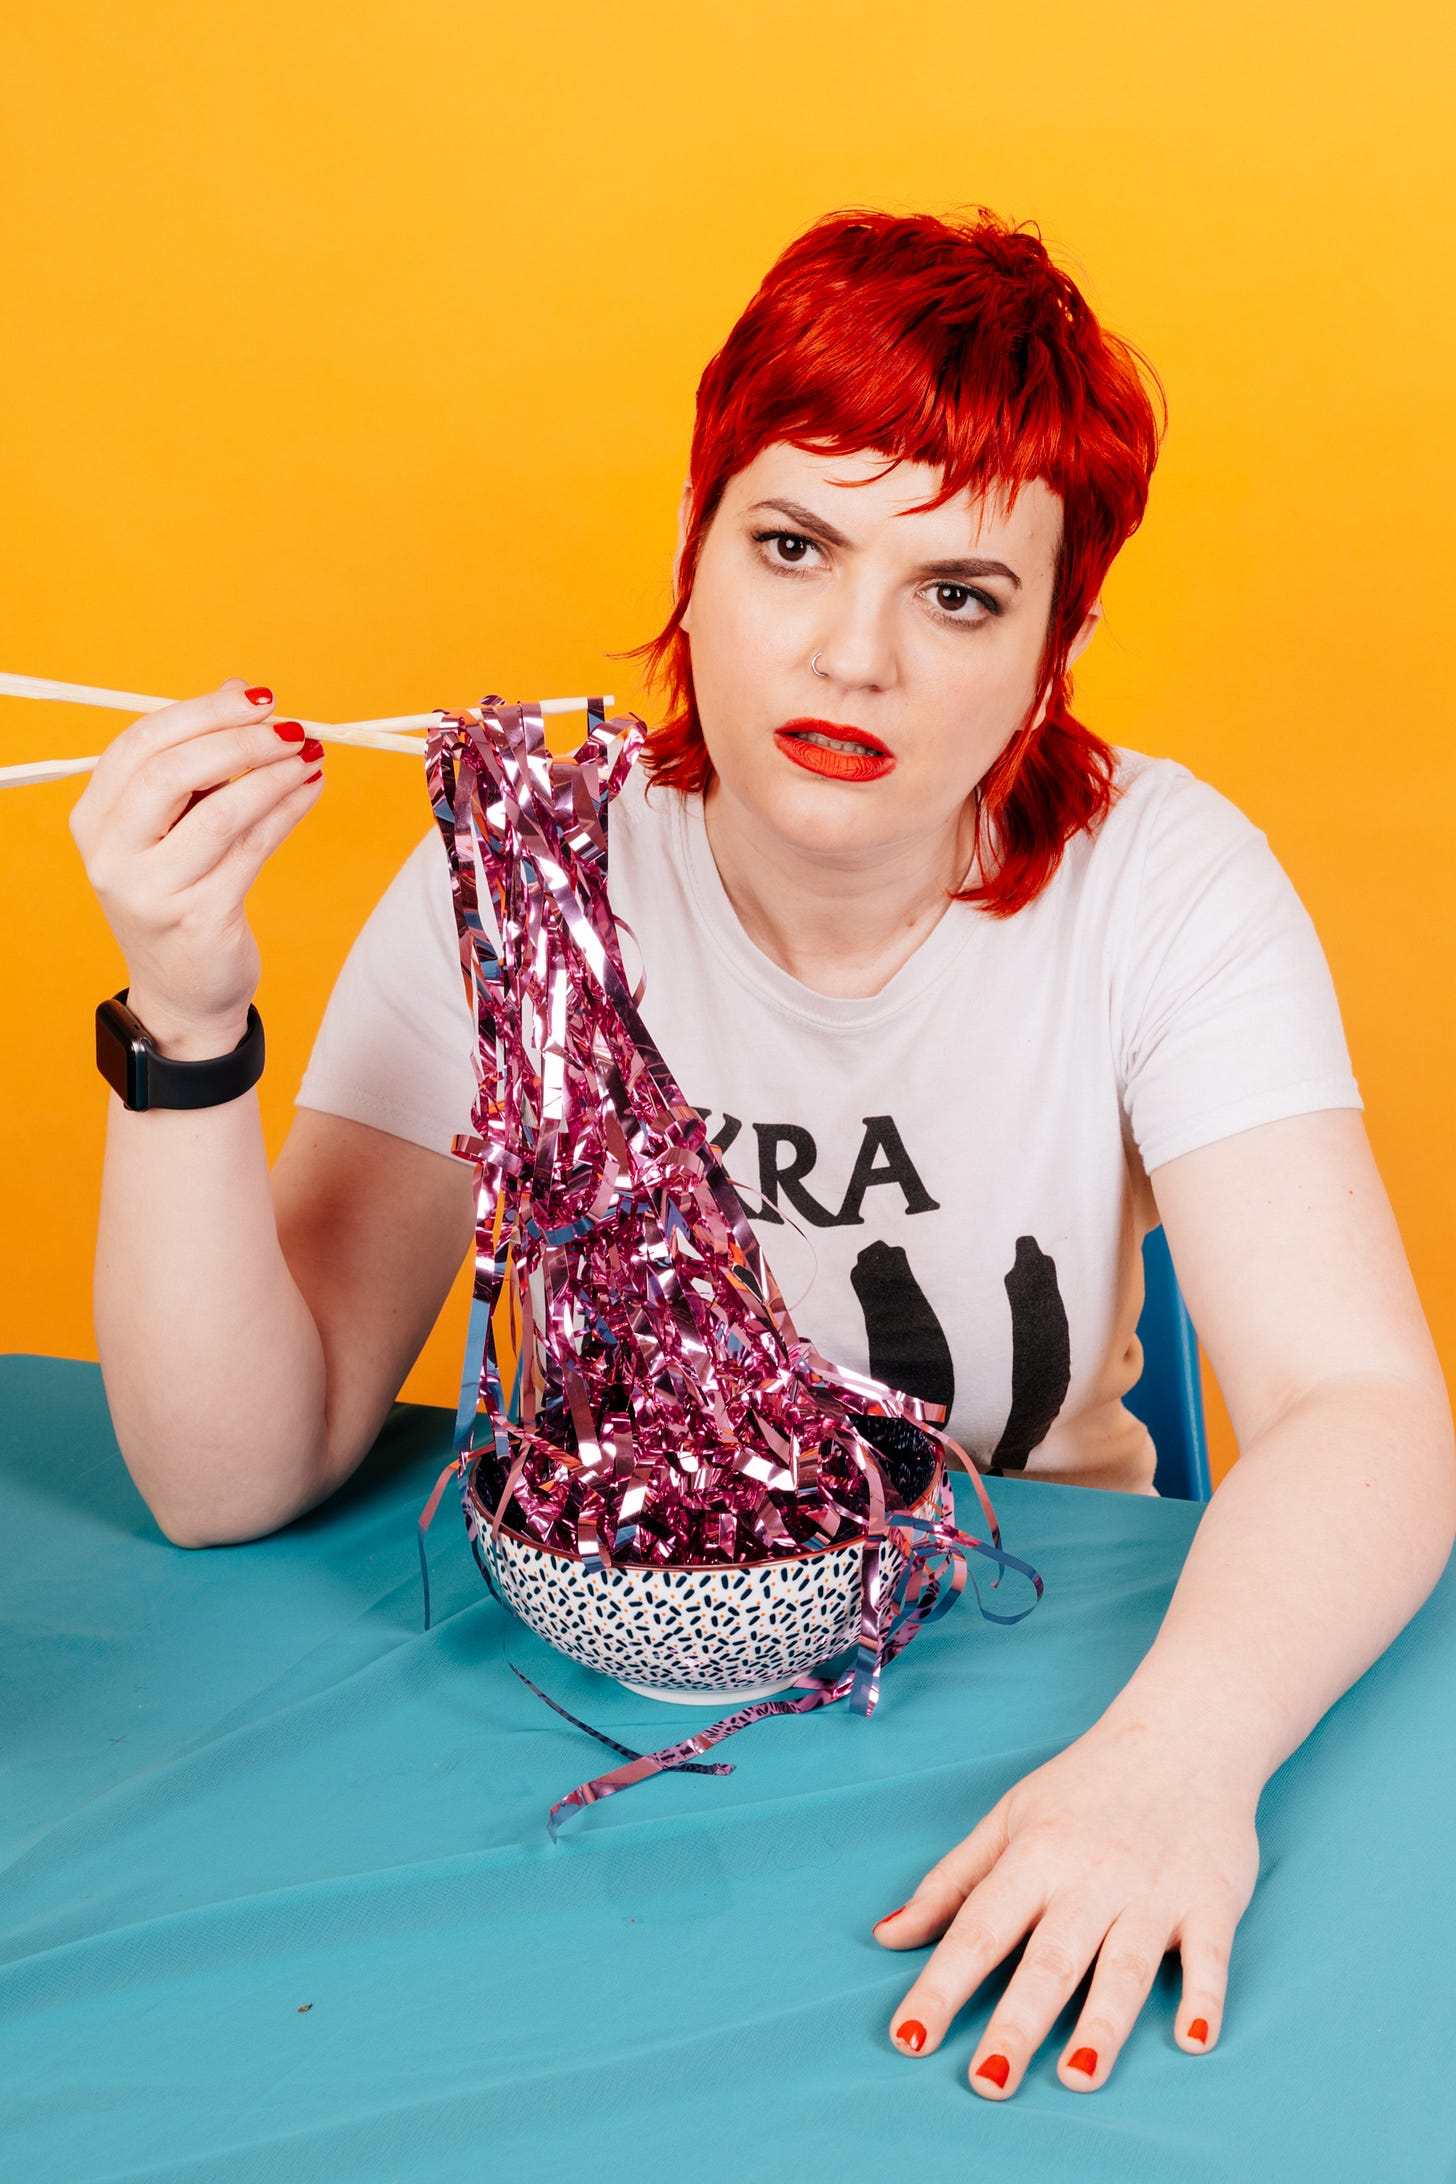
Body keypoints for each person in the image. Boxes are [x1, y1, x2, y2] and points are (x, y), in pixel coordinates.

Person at [68, 206, 1455, 2101]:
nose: (853, 654)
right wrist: (186, 1014)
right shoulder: (522, 868)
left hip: (1031, 1668)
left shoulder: (1160, 881)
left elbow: (1363, 1405)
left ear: (1060, 639)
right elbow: (228, 1477)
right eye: (792, 546)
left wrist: (1174, 1766)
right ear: (693, 550)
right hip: (594, 1730)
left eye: (961, 593)